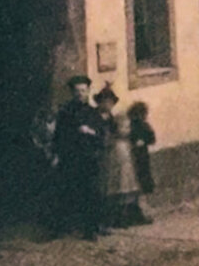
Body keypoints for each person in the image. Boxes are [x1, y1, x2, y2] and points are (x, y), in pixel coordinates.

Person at [52, 75, 107, 240]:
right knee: (69, 192)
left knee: (91, 193)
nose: (80, 94)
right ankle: (65, 227)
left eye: (83, 90)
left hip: (88, 159)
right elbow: (59, 136)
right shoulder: (65, 113)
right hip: (71, 159)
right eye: (77, 91)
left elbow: (101, 136)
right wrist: (58, 153)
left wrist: (90, 131)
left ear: (88, 91)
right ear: (72, 93)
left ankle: (91, 228)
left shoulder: (93, 113)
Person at [94, 84, 139, 230]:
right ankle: (103, 220)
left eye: (110, 102)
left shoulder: (113, 118)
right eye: (105, 101)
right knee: (104, 187)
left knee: (118, 186)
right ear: (99, 102)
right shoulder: (95, 117)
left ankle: (118, 217)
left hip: (115, 157)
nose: (108, 105)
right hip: (103, 155)